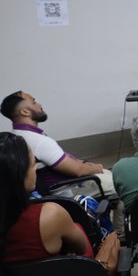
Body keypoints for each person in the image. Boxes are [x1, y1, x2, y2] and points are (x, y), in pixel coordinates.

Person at [1, 91, 122, 237]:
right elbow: (77, 171)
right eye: (33, 102)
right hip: (68, 189)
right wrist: (94, 168)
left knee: (112, 174)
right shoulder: (38, 142)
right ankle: (117, 235)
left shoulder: (19, 136)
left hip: (60, 186)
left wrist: (85, 165)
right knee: (122, 184)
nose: (39, 104)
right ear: (25, 111)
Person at [0, 132, 93, 263]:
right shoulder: (49, 215)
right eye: (33, 164)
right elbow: (82, 249)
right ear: (18, 173)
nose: (36, 170)